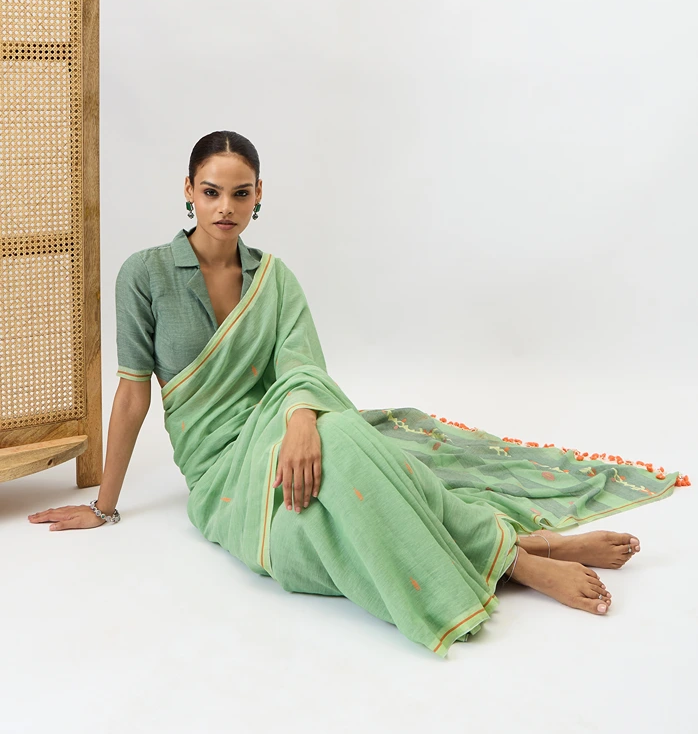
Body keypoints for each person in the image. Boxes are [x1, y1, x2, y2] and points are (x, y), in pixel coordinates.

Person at [28, 131, 690, 658]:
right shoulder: (144, 273)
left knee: (343, 435)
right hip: (219, 463)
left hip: (281, 421)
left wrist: (301, 422)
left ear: (259, 196)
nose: (225, 207)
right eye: (211, 192)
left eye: (240, 193)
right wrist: (104, 508)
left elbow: (301, 368)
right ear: (188, 192)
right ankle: (520, 554)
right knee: (309, 543)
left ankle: (517, 556)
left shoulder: (274, 278)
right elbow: (133, 394)